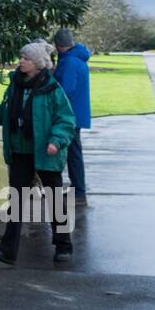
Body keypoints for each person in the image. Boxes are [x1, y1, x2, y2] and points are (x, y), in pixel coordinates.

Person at [0, 42, 79, 264]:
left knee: (55, 199)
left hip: (46, 152)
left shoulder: (52, 88)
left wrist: (56, 140)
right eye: (21, 57)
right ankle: (7, 250)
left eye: (25, 58)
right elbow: (5, 111)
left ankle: (64, 245)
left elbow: (66, 119)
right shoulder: (15, 85)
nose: (21, 61)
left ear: (37, 63)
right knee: (16, 201)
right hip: (20, 151)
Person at [52, 28, 91, 206]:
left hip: (70, 114)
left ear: (59, 46)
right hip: (78, 111)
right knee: (74, 152)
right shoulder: (78, 57)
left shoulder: (68, 62)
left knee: (73, 153)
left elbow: (65, 90)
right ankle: (78, 188)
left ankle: (79, 191)